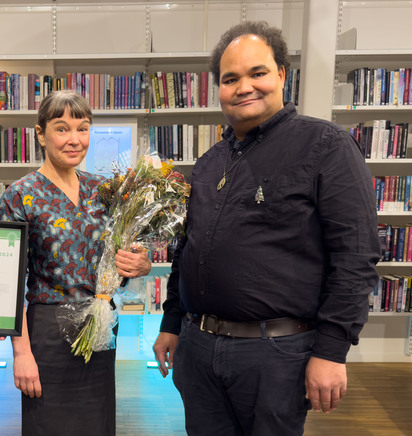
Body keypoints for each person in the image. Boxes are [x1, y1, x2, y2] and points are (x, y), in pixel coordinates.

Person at [152, 21, 380, 436]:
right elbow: (186, 251)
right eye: (230, 78)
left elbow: (356, 257)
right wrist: (171, 322)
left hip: (277, 355)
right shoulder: (208, 163)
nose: (243, 87)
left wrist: (331, 351)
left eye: (257, 73)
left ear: (281, 74)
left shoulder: (326, 146)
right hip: (199, 349)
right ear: (217, 88)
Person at [0, 89, 152, 435]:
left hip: (101, 325)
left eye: (83, 128)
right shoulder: (19, 195)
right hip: (47, 333)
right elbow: (7, 283)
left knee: (97, 425)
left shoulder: (105, 191)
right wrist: (21, 354)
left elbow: (119, 260)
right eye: (62, 128)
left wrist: (139, 265)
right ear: (41, 133)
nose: (74, 139)